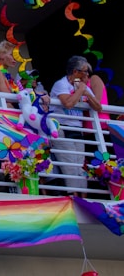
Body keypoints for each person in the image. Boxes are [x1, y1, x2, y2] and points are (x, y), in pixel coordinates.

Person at [50, 56, 102, 195]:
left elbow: (98, 107)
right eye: (84, 71)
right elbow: (67, 103)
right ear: (75, 71)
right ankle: (74, 199)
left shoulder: (82, 86)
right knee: (70, 167)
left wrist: (87, 94)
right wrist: (80, 91)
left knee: (80, 167)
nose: (87, 74)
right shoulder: (61, 84)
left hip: (77, 128)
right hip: (62, 127)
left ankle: (83, 199)